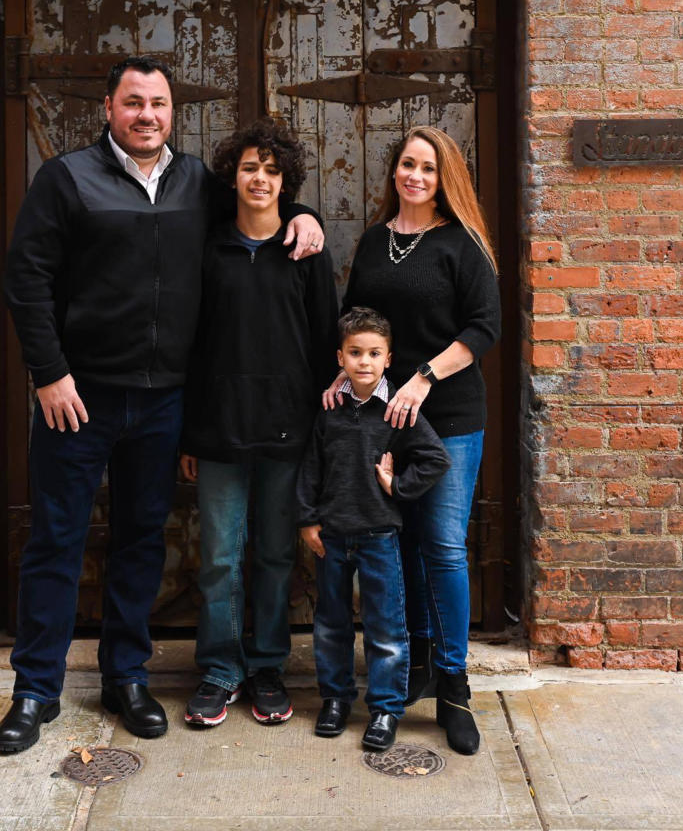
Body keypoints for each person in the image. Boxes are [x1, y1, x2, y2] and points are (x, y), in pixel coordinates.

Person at [0, 57, 324, 754]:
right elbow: (25, 279)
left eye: (159, 104)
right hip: (76, 398)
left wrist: (304, 216)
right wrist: (49, 373)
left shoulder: (195, 182)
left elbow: (258, 206)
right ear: (109, 108)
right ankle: (34, 690)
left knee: (142, 544)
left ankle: (125, 677)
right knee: (56, 540)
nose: (147, 115)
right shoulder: (68, 179)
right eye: (133, 102)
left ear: (174, 112)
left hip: (161, 400)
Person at [326, 125, 500, 756]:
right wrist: (340, 380)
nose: (415, 177)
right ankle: (416, 664)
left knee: (445, 547)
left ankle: (454, 686)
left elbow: (486, 327)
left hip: (448, 418)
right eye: (407, 165)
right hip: (383, 423)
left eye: (428, 168)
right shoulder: (375, 242)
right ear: (394, 171)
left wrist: (424, 377)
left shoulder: (463, 244)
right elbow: (356, 322)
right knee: (398, 546)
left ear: (444, 177)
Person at [178, 118, 338, 729]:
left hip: (287, 432)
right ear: (232, 177)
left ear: (286, 181)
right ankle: (220, 669)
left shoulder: (305, 253)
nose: (261, 179)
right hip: (219, 430)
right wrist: (190, 433)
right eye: (250, 168)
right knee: (220, 556)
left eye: (272, 171)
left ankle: (268, 665)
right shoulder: (210, 250)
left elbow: (328, 344)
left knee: (274, 554)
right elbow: (192, 347)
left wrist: (321, 434)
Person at [298, 307, 450, 751]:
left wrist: (397, 485)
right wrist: (308, 520)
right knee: (331, 624)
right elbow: (310, 467)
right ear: (340, 357)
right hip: (332, 535)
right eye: (355, 353)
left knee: (386, 627)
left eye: (373, 353)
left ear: (388, 359)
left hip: (380, 535)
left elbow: (435, 459)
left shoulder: (396, 412)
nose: (364, 361)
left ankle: (385, 709)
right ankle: (335, 700)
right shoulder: (329, 410)